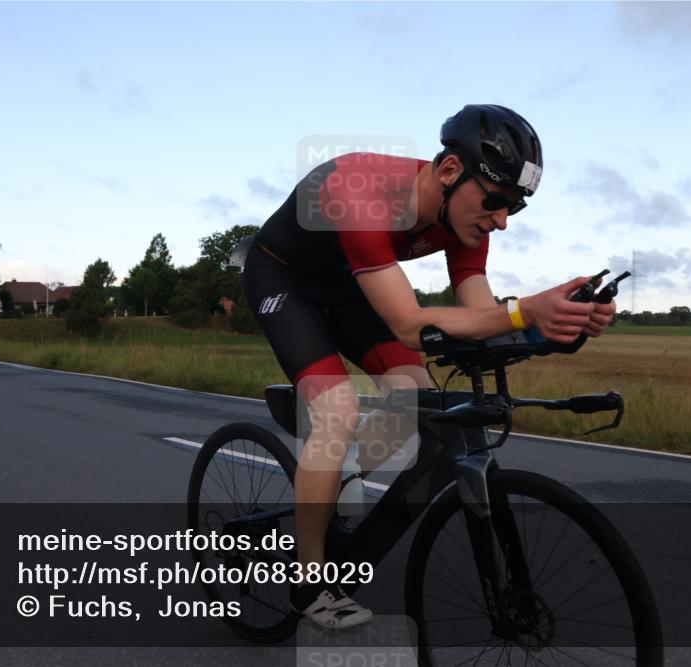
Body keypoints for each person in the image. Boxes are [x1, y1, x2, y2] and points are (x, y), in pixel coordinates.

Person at [242, 104, 617, 628]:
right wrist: (523, 310)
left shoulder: (469, 218)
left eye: (515, 208)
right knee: (338, 409)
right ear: (447, 171)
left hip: (349, 285)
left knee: (415, 394)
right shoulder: (361, 188)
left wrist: (556, 324)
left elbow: (484, 318)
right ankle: (308, 585)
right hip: (282, 277)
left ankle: (337, 475)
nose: (502, 221)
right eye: (495, 201)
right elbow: (407, 323)